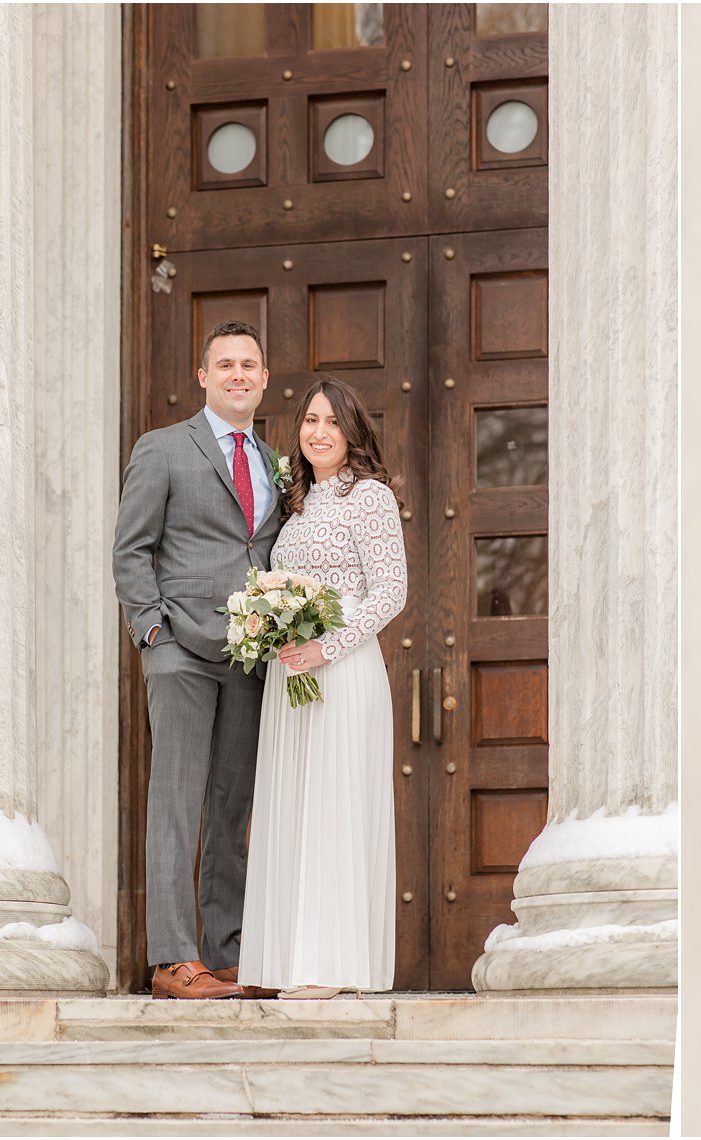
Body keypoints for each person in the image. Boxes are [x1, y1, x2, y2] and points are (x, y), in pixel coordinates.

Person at [113, 320, 282, 999]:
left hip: (249, 660)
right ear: (204, 376)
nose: (238, 374)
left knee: (230, 806)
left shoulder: (275, 463)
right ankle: (172, 959)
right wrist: (153, 633)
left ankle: (226, 953)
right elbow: (132, 548)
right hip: (180, 650)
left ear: (264, 379)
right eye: (225, 364)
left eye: (249, 364)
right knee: (177, 804)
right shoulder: (163, 449)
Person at [238, 376, 407, 999]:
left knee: (335, 808)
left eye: (332, 422)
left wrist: (326, 647)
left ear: (352, 431)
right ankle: (290, 958)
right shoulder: (298, 503)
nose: (318, 432)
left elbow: (391, 590)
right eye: (310, 420)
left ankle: (332, 966)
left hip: (344, 670)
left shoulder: (369, 498)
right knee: (296, 809)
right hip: (293, 679)